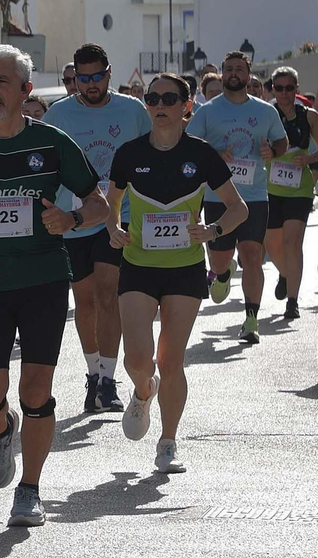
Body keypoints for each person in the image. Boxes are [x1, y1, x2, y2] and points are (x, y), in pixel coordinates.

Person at [0, 46, 106, 527]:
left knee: (36, 390)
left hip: (43, 281)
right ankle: (0, 425)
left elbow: (100, 206)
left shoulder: (52, 143)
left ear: (26, 90)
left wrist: (70, 217)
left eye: (2, 81)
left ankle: (29, 490)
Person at [108, 73, 246, 473]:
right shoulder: (130, 153)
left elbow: (239, 208)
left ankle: (168, 443)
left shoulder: (201, 154)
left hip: (184, 268)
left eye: (170, 99)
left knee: (171, 360)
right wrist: (114, 229)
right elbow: (111, 201)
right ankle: (141, 390)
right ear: (147, 105)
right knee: (137, 358)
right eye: (153, 99)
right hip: (138, 265)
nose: (160, 106)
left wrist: (213, 230)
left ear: (187, 106)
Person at [43, 44, 152, 413]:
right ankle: (92, 373)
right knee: (84, 301)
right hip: (74, 220)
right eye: (81, 78)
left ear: (109, 73)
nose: (89, 85)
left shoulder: (132, 111)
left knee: (109, 295)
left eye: (96, 77)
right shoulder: (58, 114)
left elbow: (151, 155)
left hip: (116, 218)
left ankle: (107, 378)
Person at [187, 51, 287, 342]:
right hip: (219, 197)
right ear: (222, 73)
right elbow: (191, 145)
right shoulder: (207, 111)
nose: (233, 73)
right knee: (219, 260)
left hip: (254, 195)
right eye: (228, 69)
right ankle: (222, 272)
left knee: (253, 255)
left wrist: (274, 151)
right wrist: (214, 154)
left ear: (248, 74)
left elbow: (281, 140)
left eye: (239, 69)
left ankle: (251, 319)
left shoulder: (265, 111)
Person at [265, 66, 317, 319]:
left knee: (292, 242)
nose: (284, 93)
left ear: (297, 88)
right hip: (269, 188)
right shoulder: (266, 114)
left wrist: (309, 158)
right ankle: (285, 274)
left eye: (289, 88)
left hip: (300, 188)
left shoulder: (309, 116)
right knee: (272, 244)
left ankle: (293, 302)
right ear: (273, 89)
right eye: (279, 88)